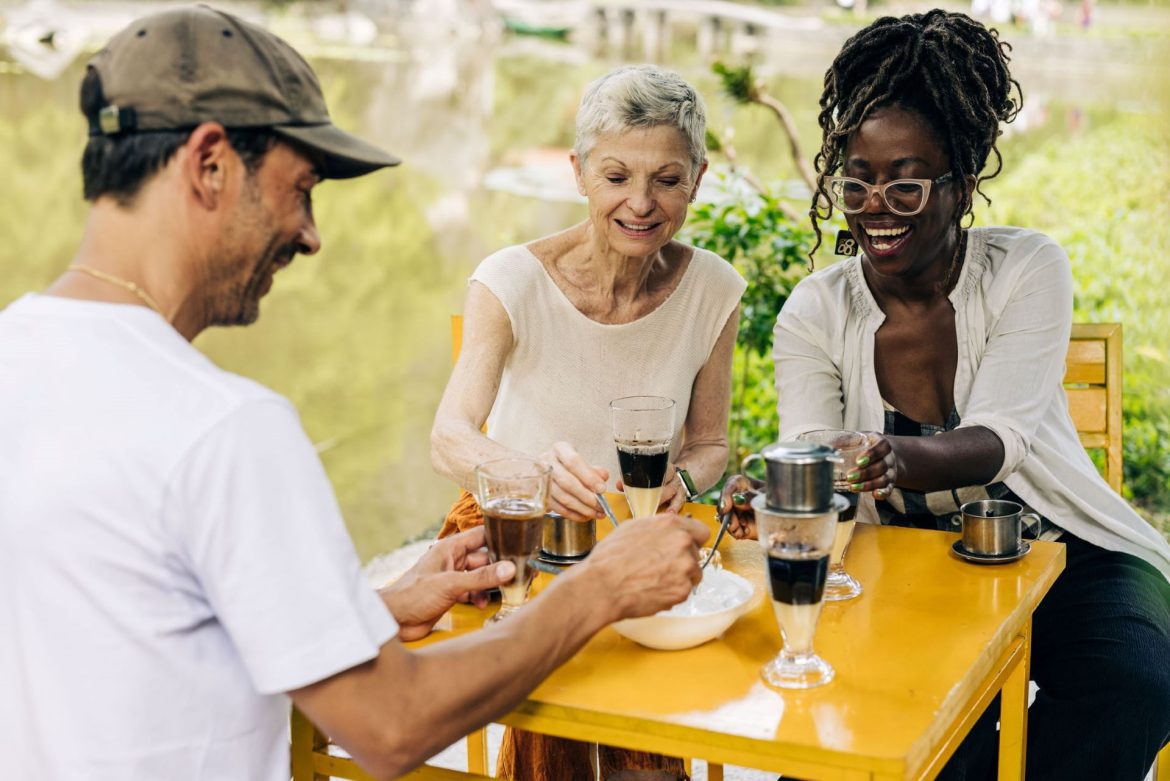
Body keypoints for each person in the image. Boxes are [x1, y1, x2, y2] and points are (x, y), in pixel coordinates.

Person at [0, 9, 711, 780]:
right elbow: (391, 723)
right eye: (300, 188)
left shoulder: (15, 356)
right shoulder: (227, 428)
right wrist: (601, 587)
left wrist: (370, 611)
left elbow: (143, 637)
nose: (310, 234)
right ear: (210, 163)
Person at [720, 9, 1170, 780]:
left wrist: (891, 454)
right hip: (909, 570)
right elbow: (812, 449)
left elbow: (1001, 437)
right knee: (917, 735)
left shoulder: (1028, 268)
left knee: (1139, 676)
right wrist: (774, 480)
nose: (874, 206)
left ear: (959, 186)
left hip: (1063, 547)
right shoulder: (816, 312)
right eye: (857, 179)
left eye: (906, 182)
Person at [430, 65, 745, 780]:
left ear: (696, 179)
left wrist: (679, 483)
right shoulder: (509, 278)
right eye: (616, 176)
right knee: (566, 712)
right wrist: (528, 473)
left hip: (633, 533)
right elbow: (450, 434)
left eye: (667, 179)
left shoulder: (714, 289)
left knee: (654, 723)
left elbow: (710, 443)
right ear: (577, 173)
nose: (641, 202)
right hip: (517, 537)